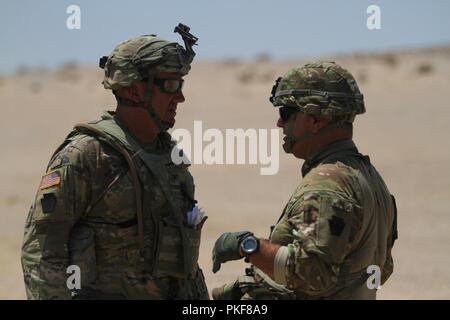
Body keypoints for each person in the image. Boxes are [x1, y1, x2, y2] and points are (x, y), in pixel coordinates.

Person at [21, 24, 209, 299]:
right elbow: (41, 252)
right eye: (170, 85)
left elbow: (183, 258)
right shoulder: (87, 156)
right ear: (134, 90)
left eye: (180, 84)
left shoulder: (168, 157)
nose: (180, 96)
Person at [211, 61, 398, 300]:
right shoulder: (369, 177)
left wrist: (248, 246)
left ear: (315, 119)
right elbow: (379, 268)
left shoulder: (327, 184)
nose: (280, 123)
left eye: (286, 113)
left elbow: (313, 274)